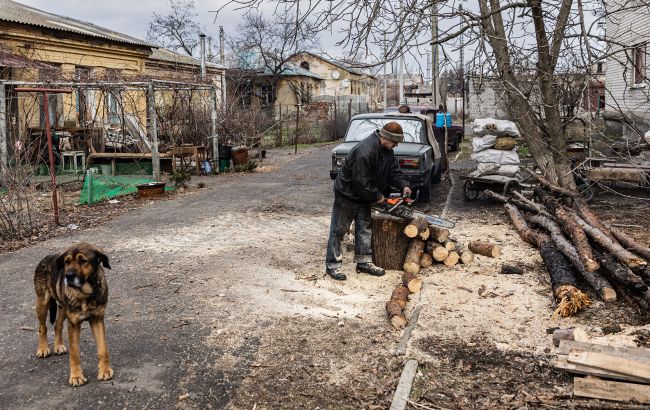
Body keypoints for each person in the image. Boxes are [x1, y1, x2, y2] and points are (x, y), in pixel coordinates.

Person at [325, 122, 412, 280]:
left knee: (364, 228)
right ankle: (333, 265)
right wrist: (377, 196)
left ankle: (364, 261)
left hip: (364, 195)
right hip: (347, 194)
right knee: (339, 230)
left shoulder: (387, 151)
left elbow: (394, 171)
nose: (396, 145)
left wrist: (404, 185)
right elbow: (361, 181)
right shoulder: (365, 151)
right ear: (386, 138)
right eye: (395, 141)